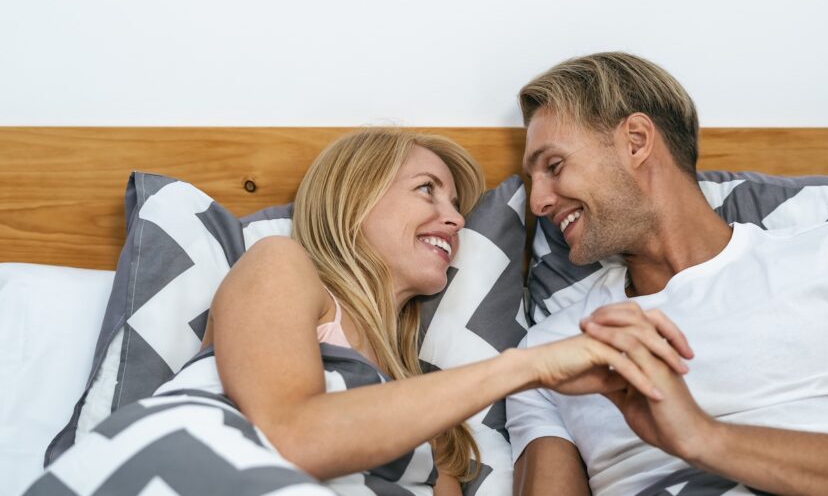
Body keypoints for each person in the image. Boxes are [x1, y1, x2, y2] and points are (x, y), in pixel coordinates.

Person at [28, 128, 689, 496]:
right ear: (352, 200)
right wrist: (528, 366)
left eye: (457, 201)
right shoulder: (282, 266)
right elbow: (292, 433)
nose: (454, 217)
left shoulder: (432, 422)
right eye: (426, 190)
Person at [507, 53, 828, 496]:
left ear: (636, 141)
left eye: (554, 165)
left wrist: (704, 439)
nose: (539, 201)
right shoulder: (552, 349)